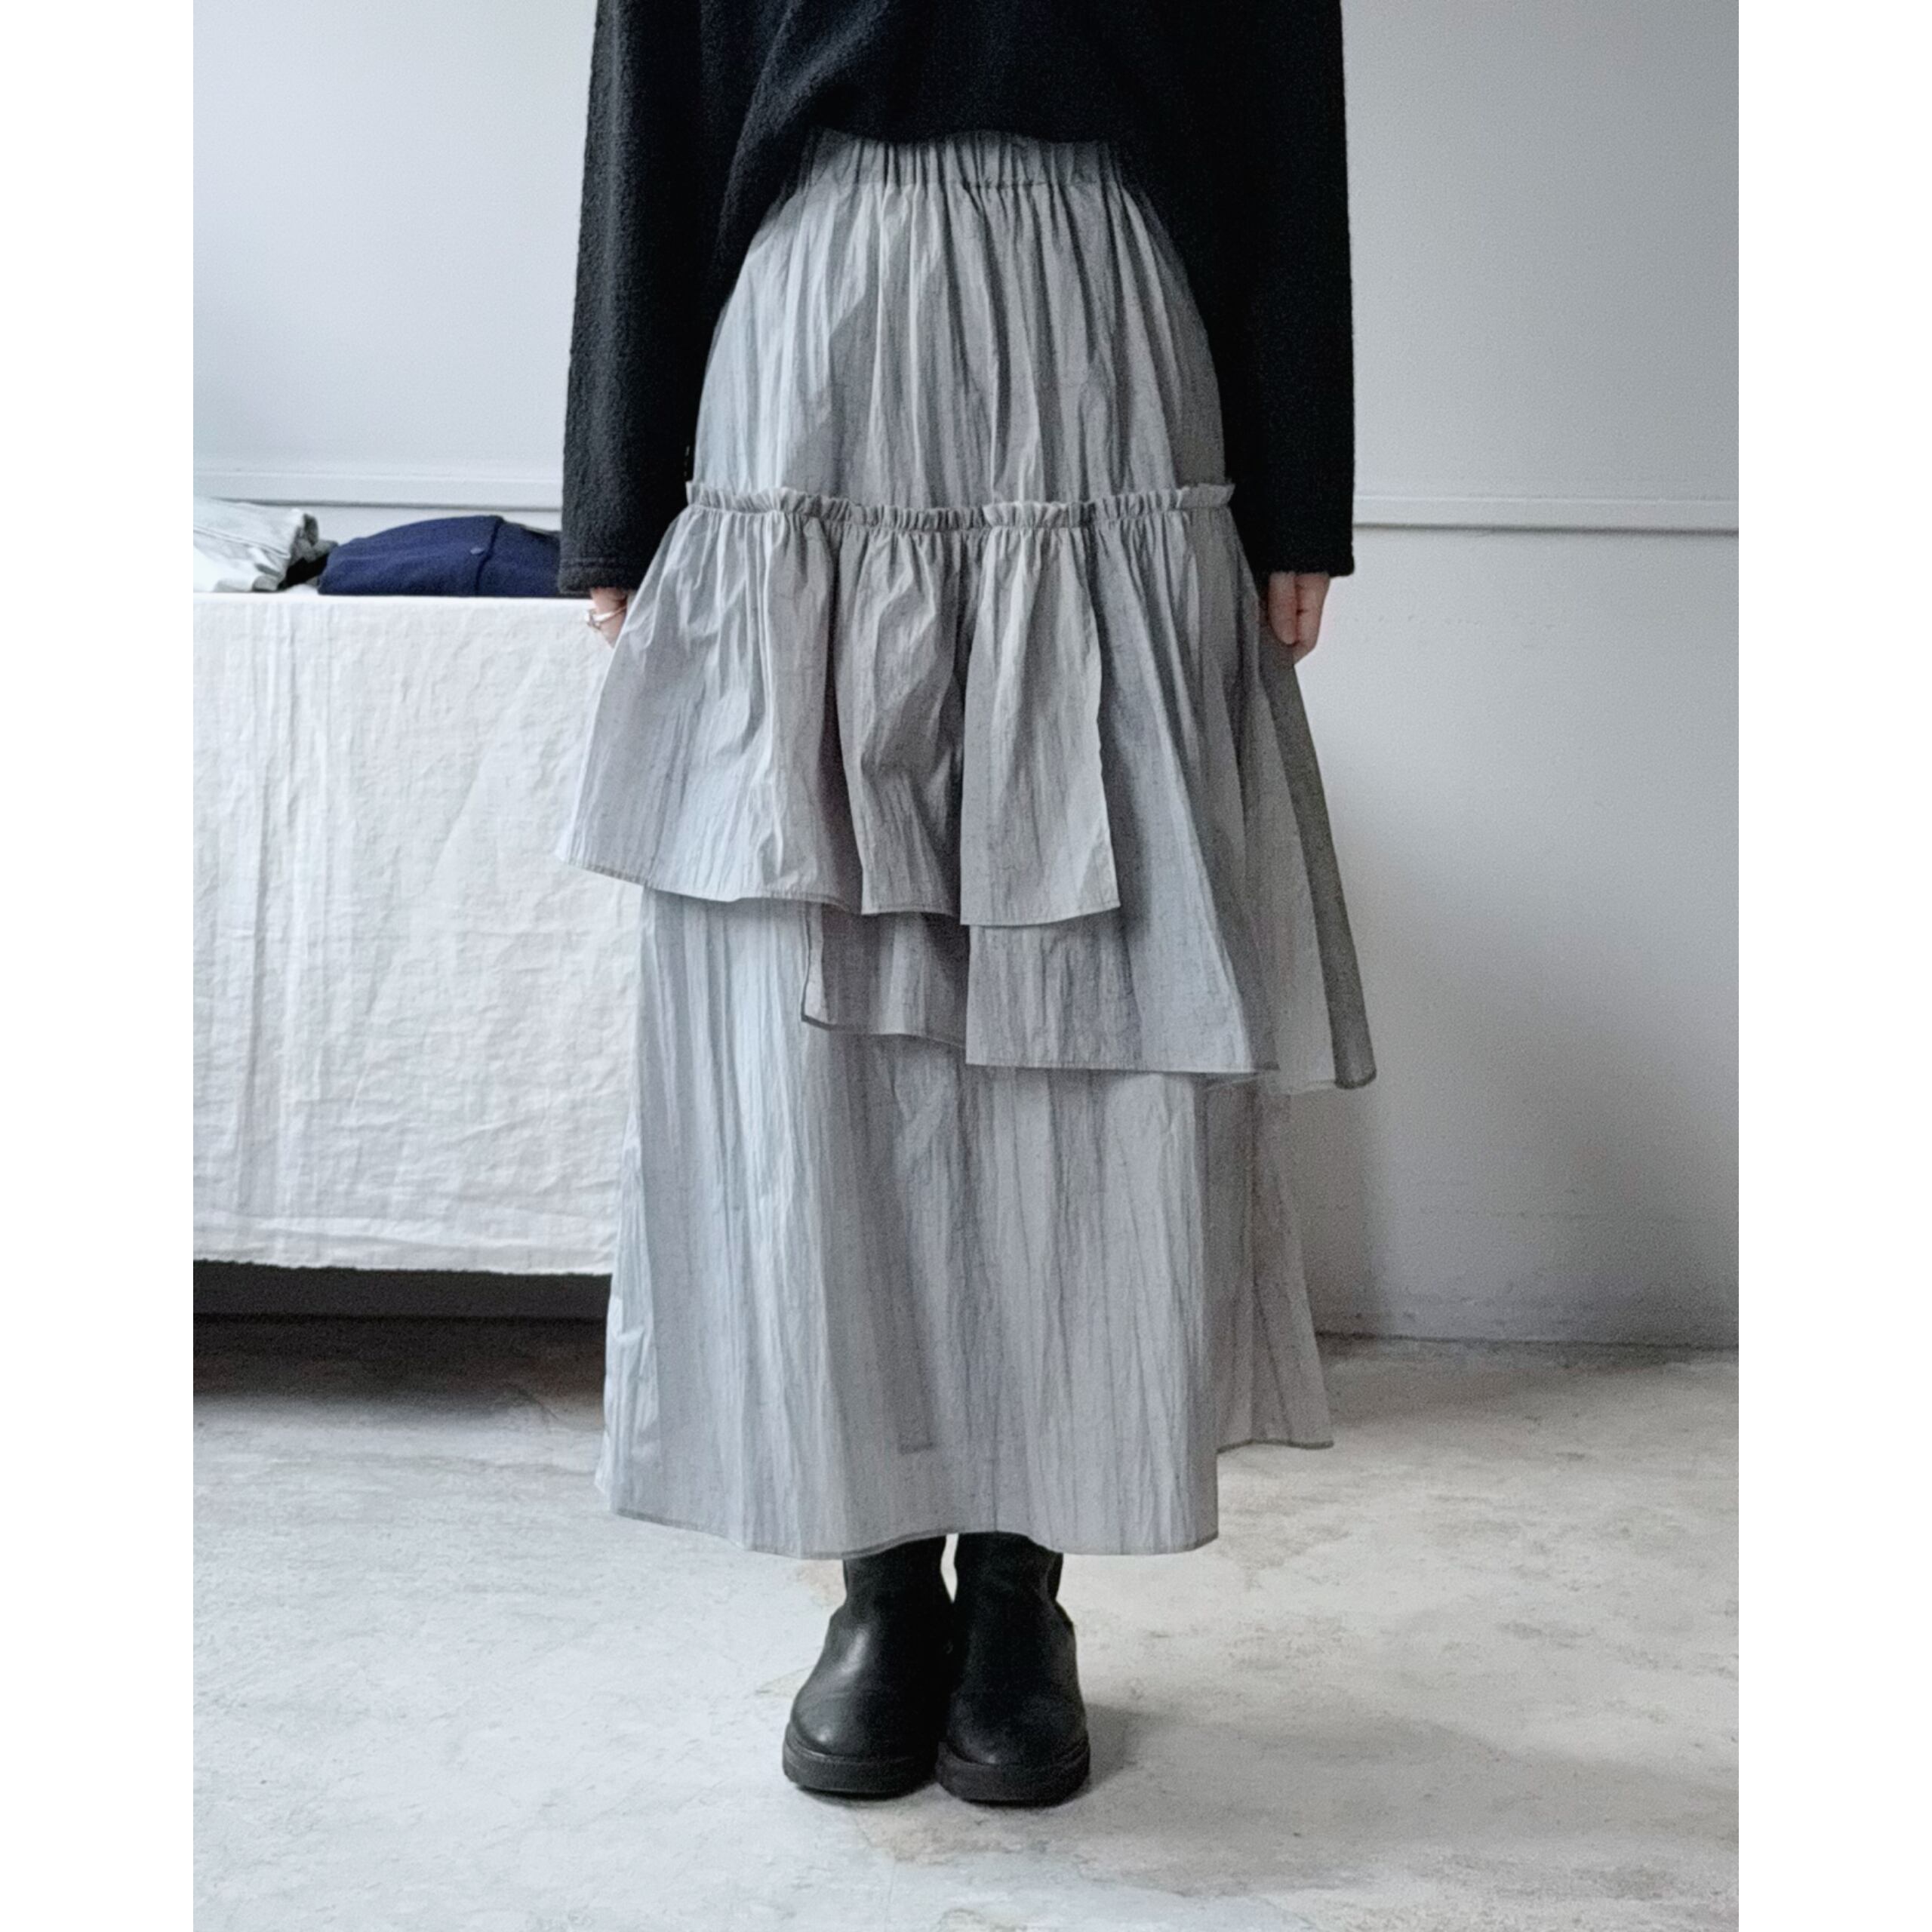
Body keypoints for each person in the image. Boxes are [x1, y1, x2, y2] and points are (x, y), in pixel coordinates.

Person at [555, 0, 1373, 1808]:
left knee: (1087, 1015)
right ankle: (874, 1579)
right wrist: (615, 490)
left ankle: (1021, 1582)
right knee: (817, 1013)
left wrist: (1299, 478)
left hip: (1106, 338)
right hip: (814, 345)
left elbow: (1273, 79)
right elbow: (655, 82)